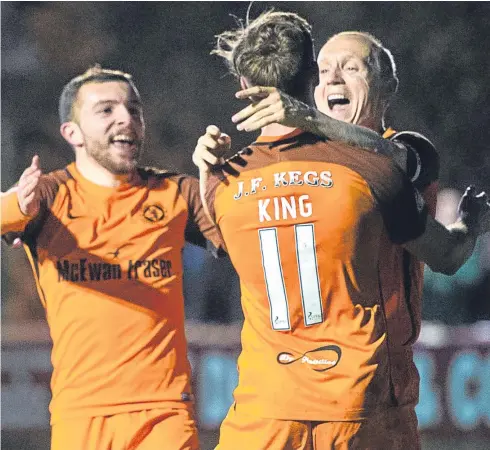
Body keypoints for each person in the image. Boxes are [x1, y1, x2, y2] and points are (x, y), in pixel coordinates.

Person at [193, 11, 490, 449]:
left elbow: (215, 236)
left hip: (264, 412)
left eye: (352, 68)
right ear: (311, 79)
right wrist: (471, 223)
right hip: (359, 405)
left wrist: (208, 172)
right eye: (326, 68)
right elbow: (444, 251)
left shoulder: (229, 179)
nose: (335, 78)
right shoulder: (375, 172)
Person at [1, 66, 224, 450]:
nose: (126, 118)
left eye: (134, 109)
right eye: (106, 110)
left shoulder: (175, 193)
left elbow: (249, 230)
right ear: (72, 133)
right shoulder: (50, 196)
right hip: (81, 415)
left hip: (164, 412)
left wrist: (219, 176)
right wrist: (18, 205)